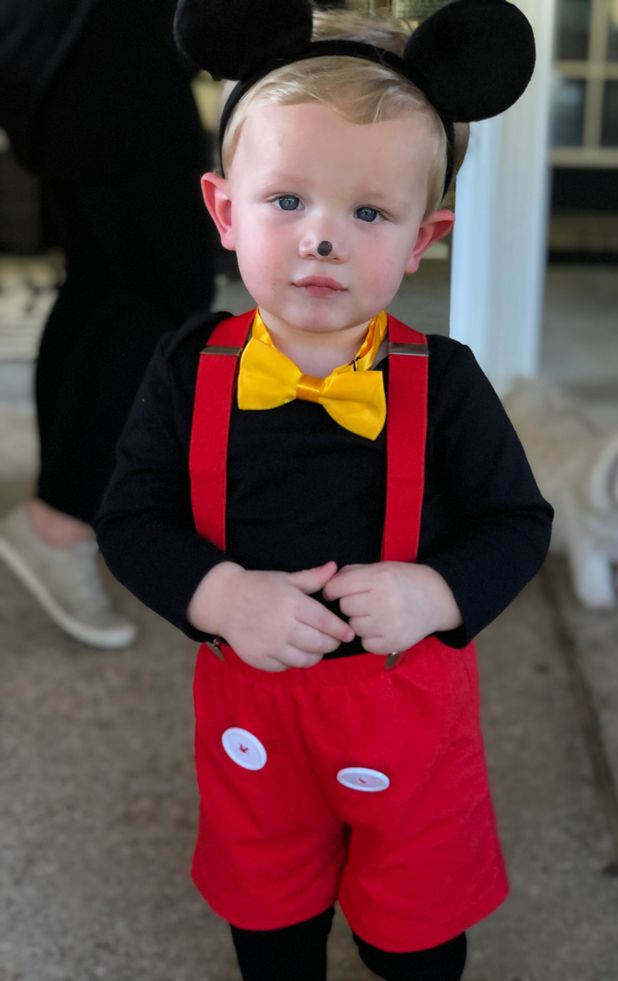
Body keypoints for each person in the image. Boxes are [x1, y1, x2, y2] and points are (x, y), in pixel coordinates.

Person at [96, 1, 552, 978]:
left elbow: (517, 521)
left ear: (424, 237)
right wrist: (217, 593)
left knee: (415, 938)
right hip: (249, 713)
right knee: (270, 927)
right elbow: (130, 516)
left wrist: (434, 592)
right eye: (288, 202)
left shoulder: (447, 383)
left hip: (405, 708)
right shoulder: (187, 367)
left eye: (369, 213)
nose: (322, 240)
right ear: (224, 209)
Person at [0, 0, 215, 649]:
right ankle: (59, 520)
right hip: (96, 43)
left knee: (107, 280)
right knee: (164, 289)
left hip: (74, 44)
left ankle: (66, 507)